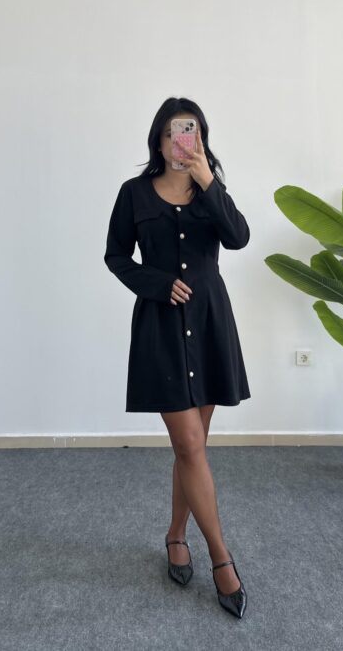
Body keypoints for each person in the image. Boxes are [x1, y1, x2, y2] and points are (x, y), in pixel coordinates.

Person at [104, 96, 250, 618]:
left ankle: (174, 535)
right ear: (158, 141)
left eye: (189, 133)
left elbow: (239, 238)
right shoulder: (134, 193)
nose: (179, 142)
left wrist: (208, 179)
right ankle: (222, 560)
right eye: (171, 133)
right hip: (162, 329)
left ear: (200, 140)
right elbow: (116, 257)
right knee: (189, 444)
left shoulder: (212, 191)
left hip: (209, 325)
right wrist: (158, 283)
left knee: (194, 450)